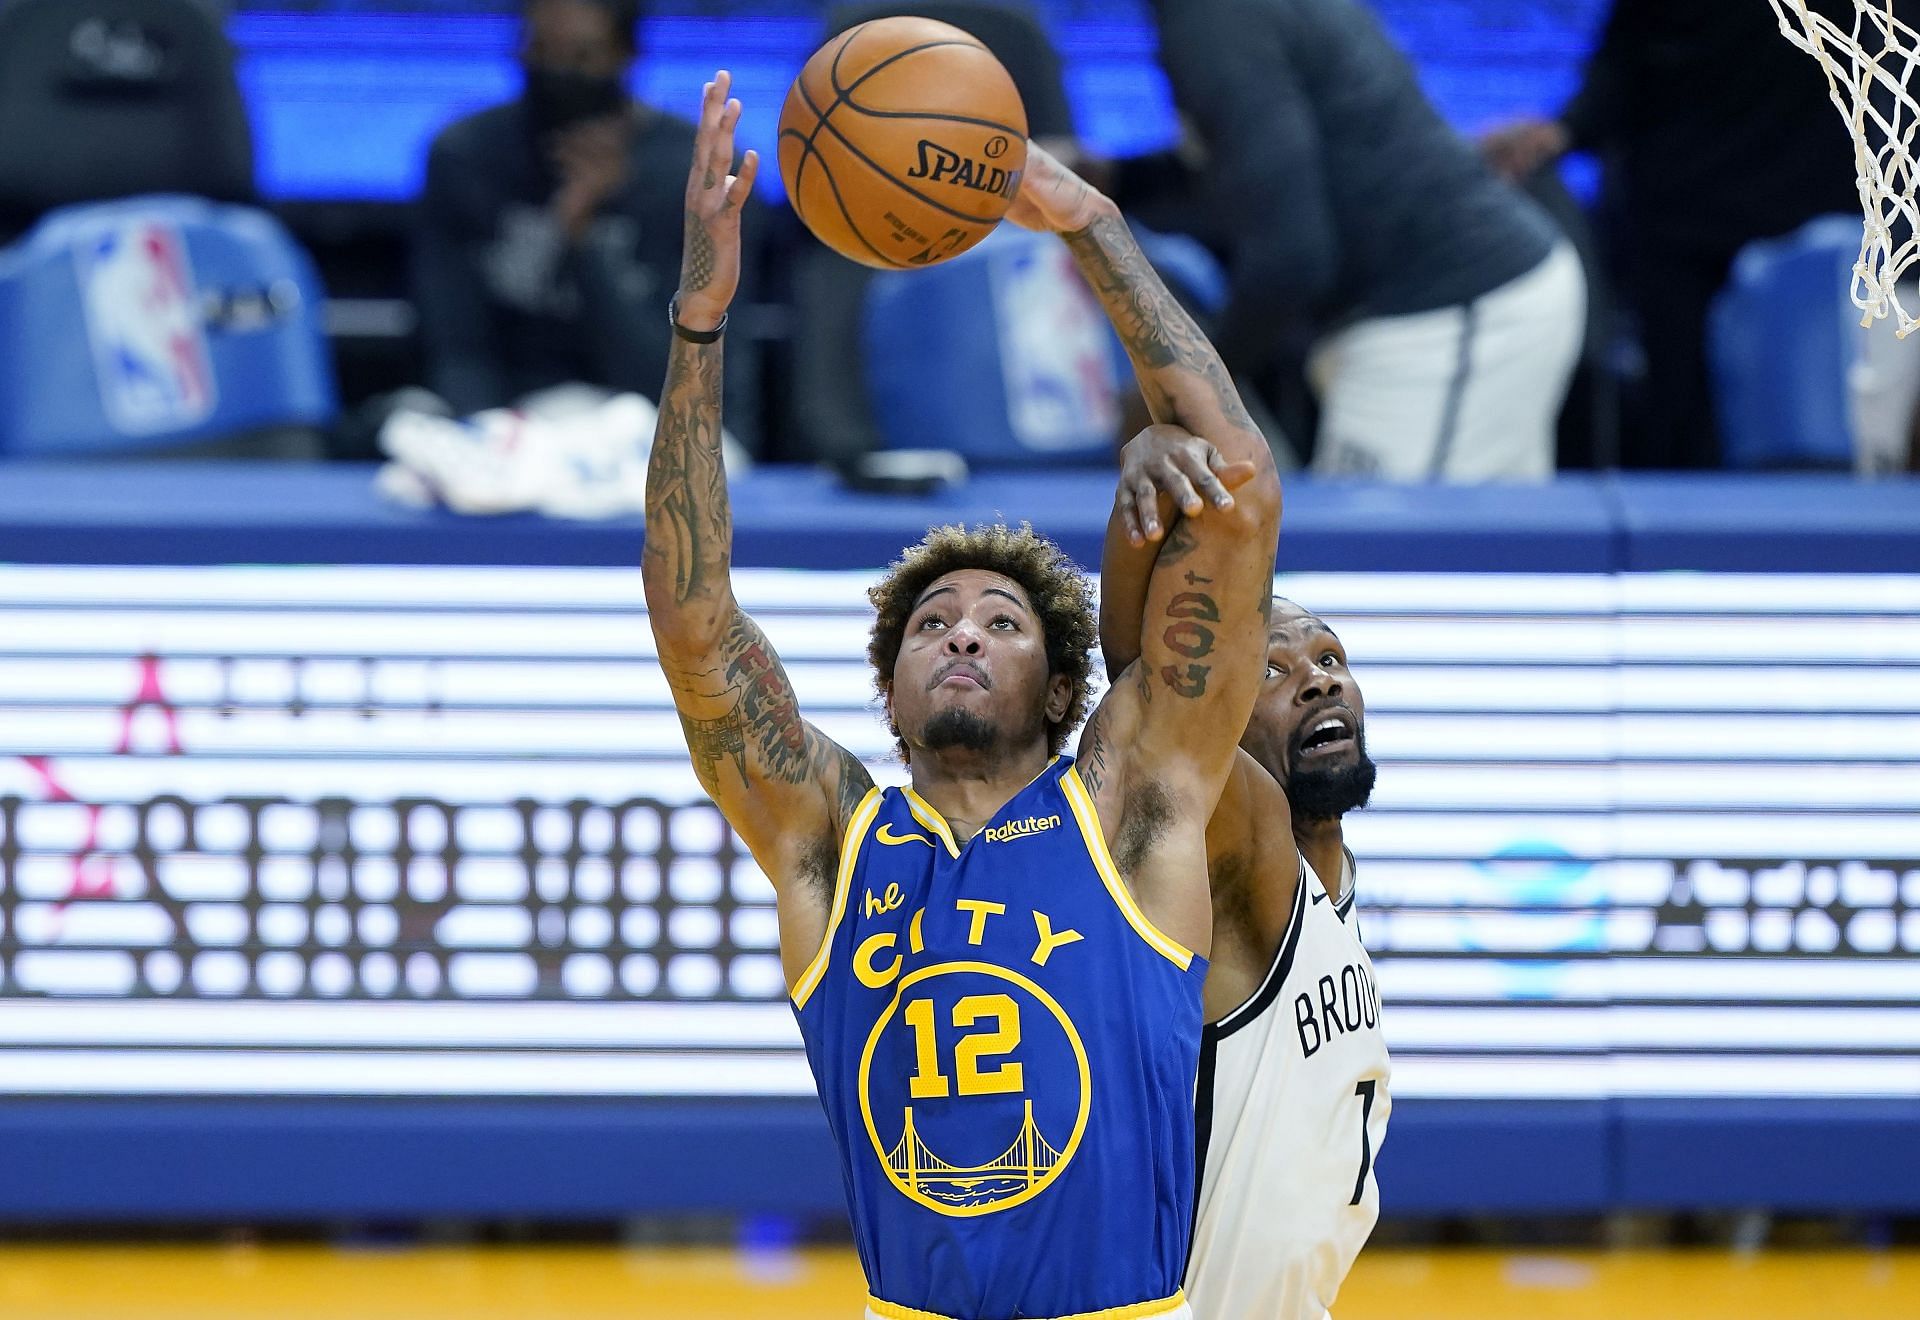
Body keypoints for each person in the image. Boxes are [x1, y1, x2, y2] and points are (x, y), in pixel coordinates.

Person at [642, 71, 1281, 1320]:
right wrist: (700, 324)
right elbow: (695, 621)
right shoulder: (832, 841)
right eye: (934, 625)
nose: (965, 638)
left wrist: (1091, 223)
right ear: (888, 697)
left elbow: (1239, 484)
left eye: (1003, 623)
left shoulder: (1131, 809)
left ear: (1062, 689)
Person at [1103, 428, 1392, 1319]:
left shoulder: (1329, 879)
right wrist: (1137, 516)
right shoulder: (1243, 859)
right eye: (1273, 670)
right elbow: (1149, 689)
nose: (1318, 683)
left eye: (1331, 661)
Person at [1146, 0, 1585, 481]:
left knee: (1366, 553)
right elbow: (1256, 161)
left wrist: (1180, 385)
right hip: (1450, 305)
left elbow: (1290, 260)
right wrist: (1124, 180)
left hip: (1453, 312)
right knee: (1481, 552)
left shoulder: (1215, 15)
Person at [1479, 0, 1861, 470]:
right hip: (1685, 220)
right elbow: (1626, 65)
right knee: (1684, 426)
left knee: (1821, 432)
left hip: (1810, 221)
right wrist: (1562, 132)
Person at [414, 0, 760, 447]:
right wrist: (484, 444)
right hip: (512, 428)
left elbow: (690, 368)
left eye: (582, 56)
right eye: (542, 52)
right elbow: (456, 346)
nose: (560, 74)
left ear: (627, 54)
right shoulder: (467, 157)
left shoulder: (695, 174)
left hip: (663, 426)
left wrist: (586, 234)